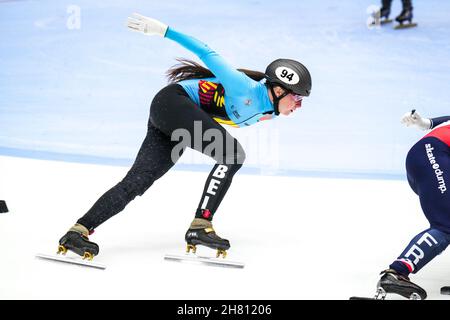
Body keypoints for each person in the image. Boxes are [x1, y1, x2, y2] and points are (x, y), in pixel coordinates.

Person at [57, 13, 312, 260]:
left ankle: (77, 232)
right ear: (278, 90)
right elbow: (206, 52)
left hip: (174, 117)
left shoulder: (272, 111)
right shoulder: (243, 86)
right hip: (172, 103)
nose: (299, 105)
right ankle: (201, 225)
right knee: (232, 155)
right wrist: (164, 31)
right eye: (297, 97)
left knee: (138, 181)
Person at [375, 110, 450, 300]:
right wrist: (425, 123)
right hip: (434, 154)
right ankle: (395, 273)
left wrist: (425, 123)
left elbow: (435, 123)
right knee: (446, 224)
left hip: (429, 155)